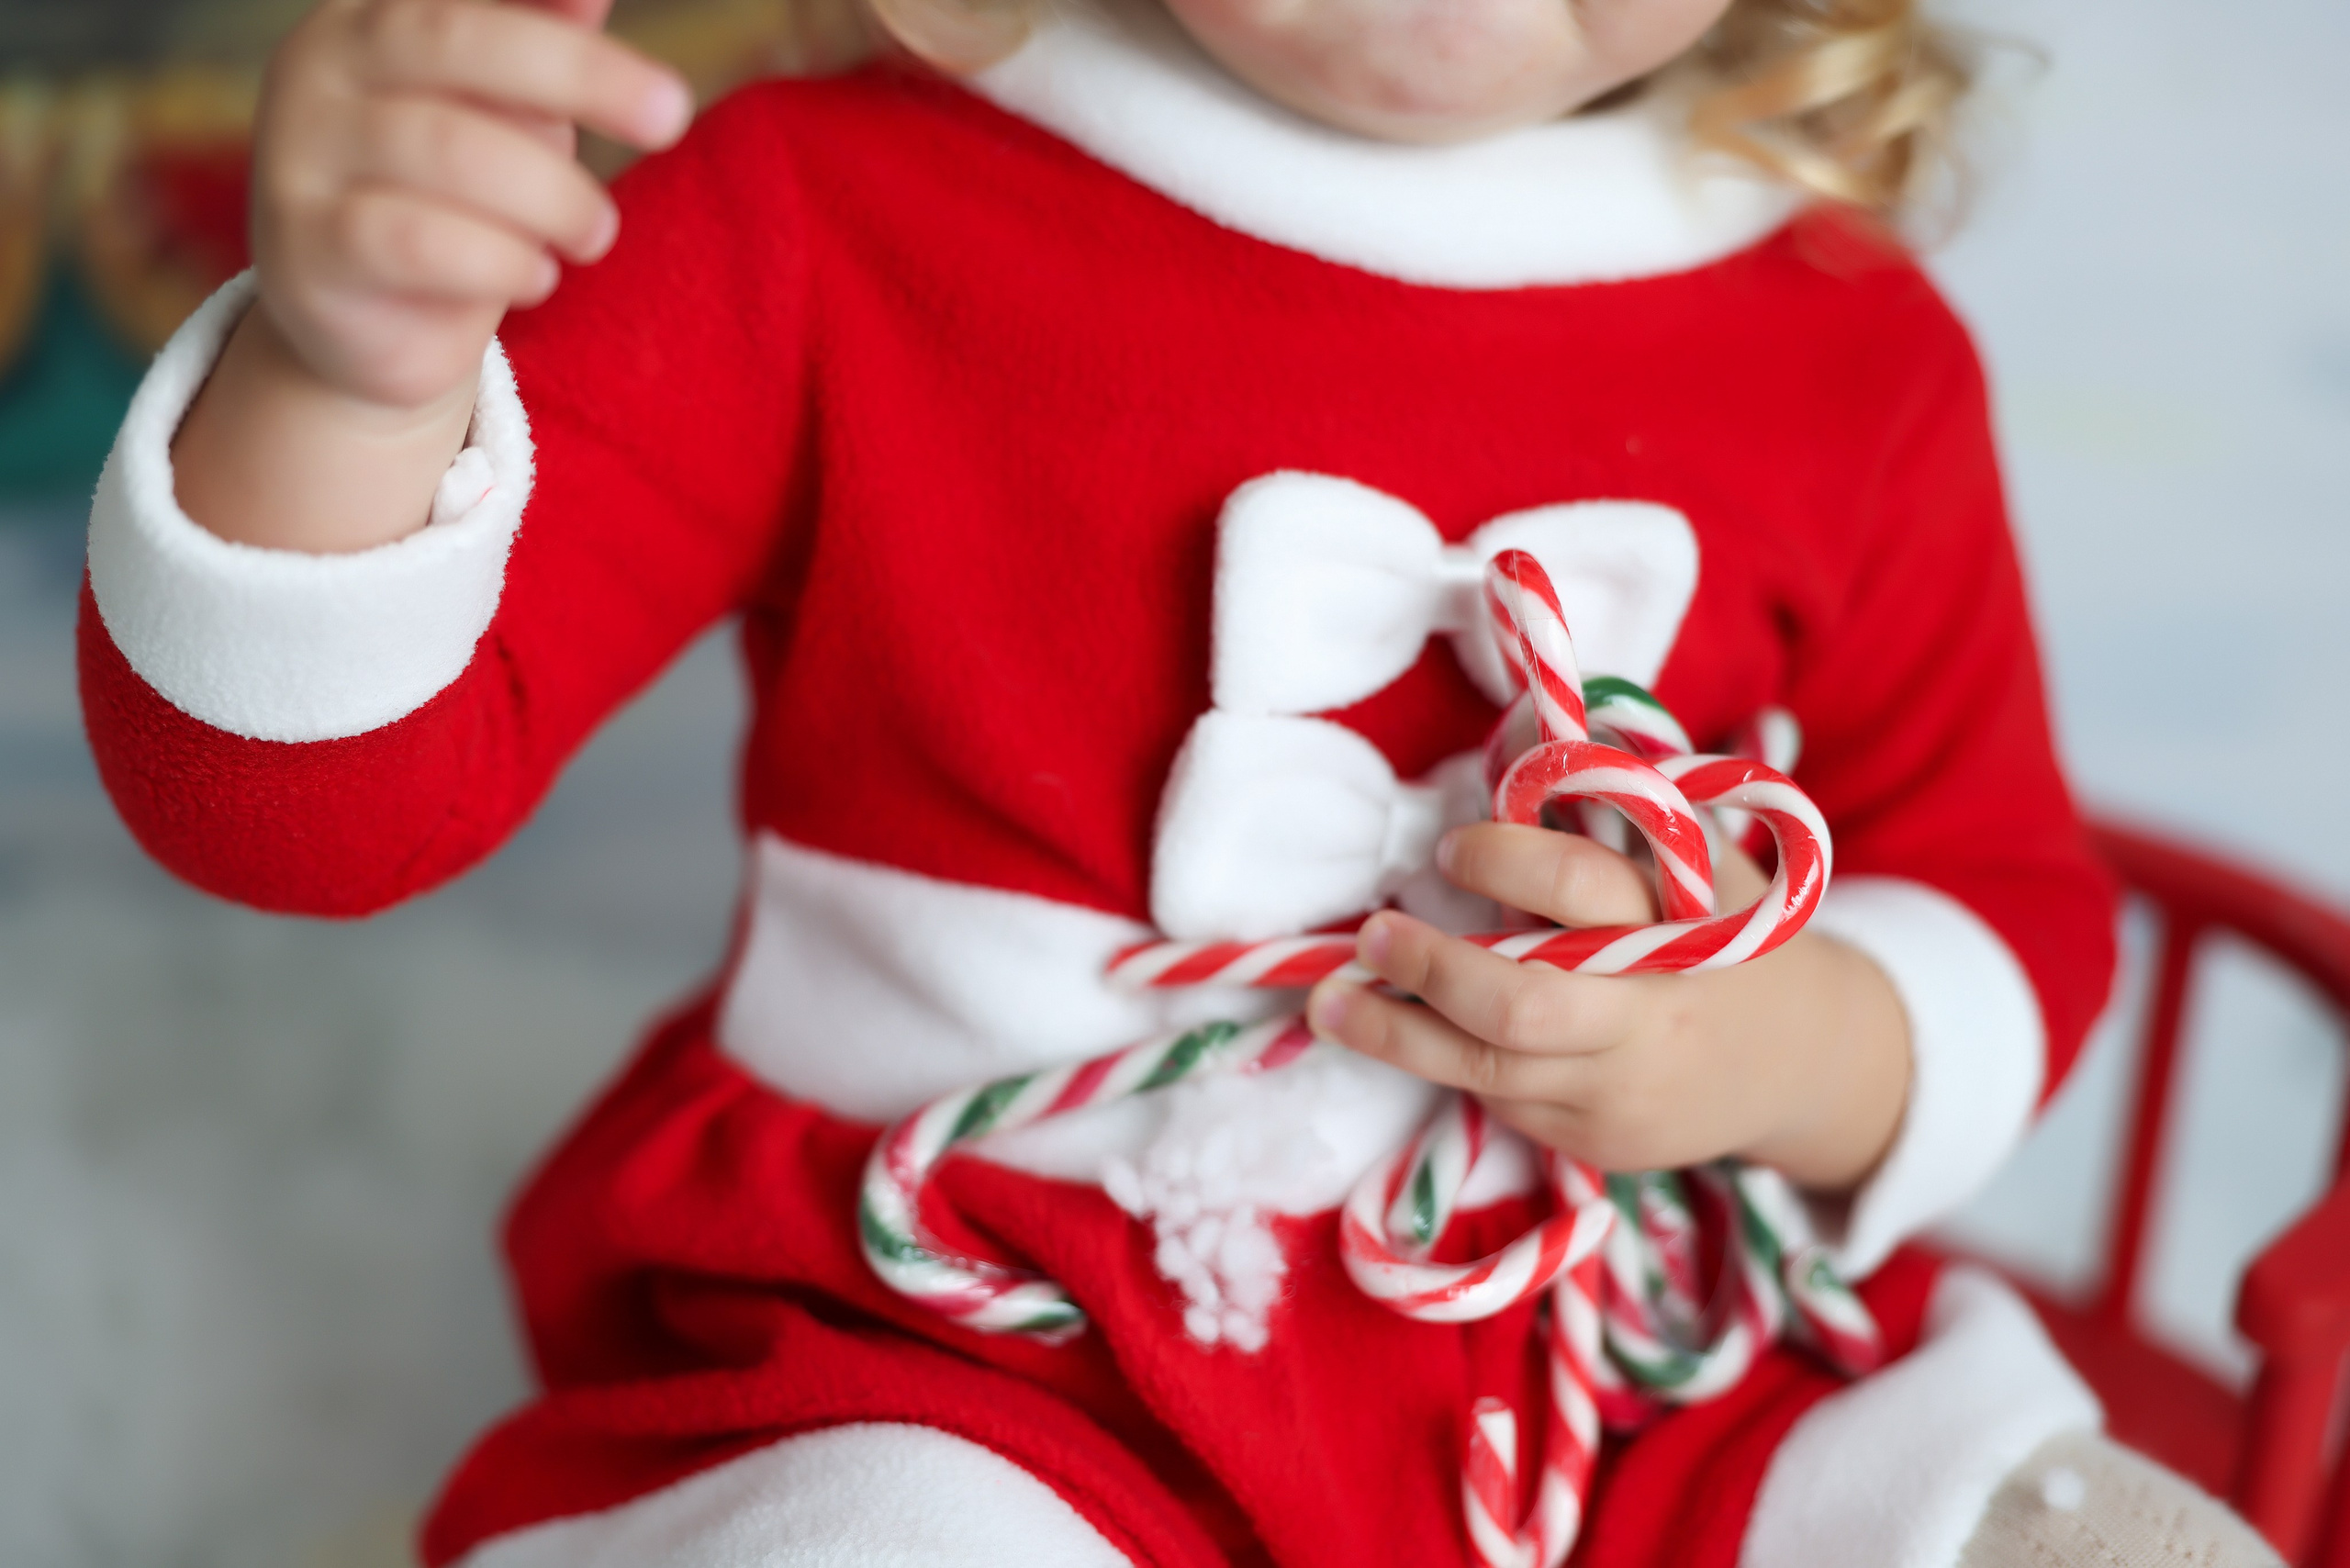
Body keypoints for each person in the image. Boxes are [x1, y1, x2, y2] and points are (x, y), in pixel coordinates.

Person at [74, 0, 2285, 1562]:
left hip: (1655, 1370)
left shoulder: (1849, 343)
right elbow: (295, 813)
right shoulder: (825, 212)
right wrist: (343, 380)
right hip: (968, 1331)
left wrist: (1787, 1043)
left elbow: (1992, 876)